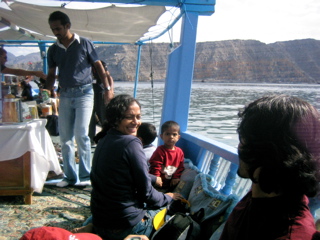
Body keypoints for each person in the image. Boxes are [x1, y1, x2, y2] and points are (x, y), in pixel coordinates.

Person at [219, 95, 320, 240]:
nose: (239, 146)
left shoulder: (292, 234)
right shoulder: (259, 193)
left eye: (243, 139)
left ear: (266, 152)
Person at [90, 94, 183, 240]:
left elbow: (121, 173)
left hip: (100, 219)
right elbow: (146, 193)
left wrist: (151, 178)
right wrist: (167, 198)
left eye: (138, 117)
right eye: (129, 117)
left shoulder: (104, 138)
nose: (136, 122)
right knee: (174, 211)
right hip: (124, 225)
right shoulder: (131, 143)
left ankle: (91, 228)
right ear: (116, 119)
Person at [44, 11, 114, 188]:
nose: (55, 32)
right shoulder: (53, 50)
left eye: (58, 28)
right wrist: (47, 89)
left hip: (85, 93)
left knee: (81, 134)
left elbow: (98, 66)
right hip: (65, 94)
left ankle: (85, 176)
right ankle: (69, 177)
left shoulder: (84, 43)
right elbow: (52, 74)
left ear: (68, 26)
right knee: (65, 138)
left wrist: (107, 89)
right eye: (53, 29)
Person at [149, 120, 185, 191]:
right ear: (162, 136)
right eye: (167, 134)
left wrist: (176, 177)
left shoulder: (179, 152)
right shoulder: (160, 150)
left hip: (170, 184)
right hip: (156, 184)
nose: (171, 137)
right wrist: (156, 178)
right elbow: (155, 165)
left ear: (178, 137)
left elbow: (180, 167)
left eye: (174, 134)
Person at [89, 60, 114, 146]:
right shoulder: (84, 65)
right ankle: (91, 139)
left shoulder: (100, 63)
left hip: (101, 92)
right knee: (90, 118)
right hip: (88, 94)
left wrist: (110, 90)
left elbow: (108, 77)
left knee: (104, 116)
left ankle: (107, 138)